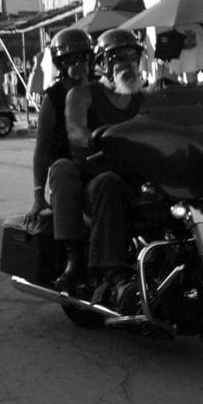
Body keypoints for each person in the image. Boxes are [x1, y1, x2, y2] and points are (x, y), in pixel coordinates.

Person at [47, 28, 148, 295]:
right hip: (95, 177)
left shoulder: (146, 99)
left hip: (139, 175)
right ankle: (108, 271)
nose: (127, 64)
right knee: (107, 182)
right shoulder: (82, 95)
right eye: (118, 58)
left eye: (131, 57)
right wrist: (102, 140)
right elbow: (76, 133)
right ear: (102, 64)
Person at [26, 28, 94, 228]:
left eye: (82, 57)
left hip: (97, 167)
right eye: (70, 59)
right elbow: (42, 149)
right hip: (66, 173)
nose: (78, 64)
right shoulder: (53, 98)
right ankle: (74, 256)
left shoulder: (100, 89)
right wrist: (38, 195)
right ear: (60, 63)